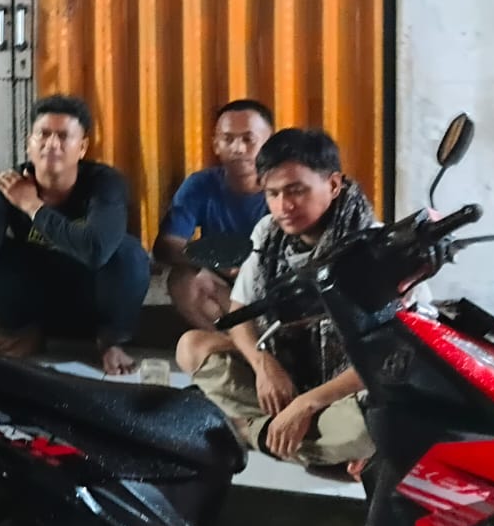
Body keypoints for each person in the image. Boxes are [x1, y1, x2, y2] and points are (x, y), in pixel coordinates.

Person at [174, 128, 430, 479]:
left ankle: (251, 429)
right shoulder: (268, 233)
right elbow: (240, 312)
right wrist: (263, 363)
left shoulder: (378, 249)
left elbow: (391, 357)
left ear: (334, 184)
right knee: (192, 347)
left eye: (297, 190)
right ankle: (314, 446)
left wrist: (307, 404)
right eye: (273, 193)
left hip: (346, 389)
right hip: (290, 373)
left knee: (373, 424)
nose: (284, 206)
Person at [0, 94, 152, 375]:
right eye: (44, 134)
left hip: (92, 298)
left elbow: (96, 250)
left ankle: (110, 342)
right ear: (29, 143)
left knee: (129, 254)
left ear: (82, 148)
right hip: (39, 297)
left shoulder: (105, 183)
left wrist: (32, 206)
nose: (52, 144)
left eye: (63, 136)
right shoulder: (8, 186)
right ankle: (28, 333)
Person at [154, 99, 274, 330]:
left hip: (272, 284)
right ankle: (229, 343)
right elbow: (167, 245)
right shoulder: (200, 184)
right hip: (224, 282)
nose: (238, 149)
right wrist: (215, 263)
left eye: (248, 139)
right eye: (228, 139)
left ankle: (260, 337)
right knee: (183, 281)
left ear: (269, 144)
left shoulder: (285, 186)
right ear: (216, 145)